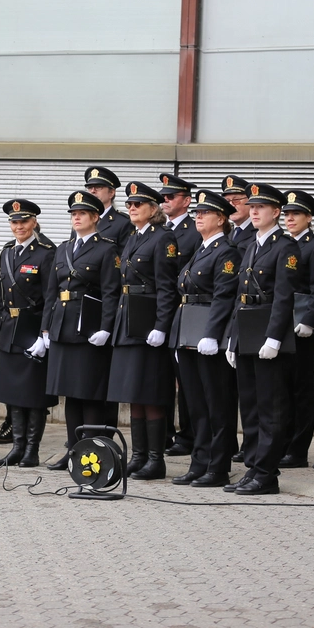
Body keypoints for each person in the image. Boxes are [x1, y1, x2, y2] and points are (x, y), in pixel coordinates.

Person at [225, 183, 299, 496]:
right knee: (251, 405)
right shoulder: (252, 245)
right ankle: (254, 466)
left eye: (260, 207)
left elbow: (284, 297)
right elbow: (239, 296)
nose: (253, 211)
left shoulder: (286, 247)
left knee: (270, 407)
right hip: (246, 328)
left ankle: (267, 473)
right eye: (251, 206)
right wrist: (232, 337)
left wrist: (274, 337)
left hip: (268, 329)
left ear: (276, 212)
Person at [107, 182, 180, 480]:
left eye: (139, 204)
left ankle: (155, 458)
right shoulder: (134, 237)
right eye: (129, 205)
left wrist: (162, 326)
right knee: (133, 392)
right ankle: (137, 456)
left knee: (150, 392)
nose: (132, 208)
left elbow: (166, 286)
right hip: (129, 320)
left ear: (154, 209)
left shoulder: (164, 238)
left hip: (149, 322)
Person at [43, 191, 120, 471]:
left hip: (89, 330)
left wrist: (106, 328)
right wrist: (45, 328)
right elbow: (52, 292)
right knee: (70, 395)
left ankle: (94, 455)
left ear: (95, 217)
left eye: (82, 214)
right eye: (73, 214)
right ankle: (73, 452)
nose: (76, 218)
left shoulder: (106, 249)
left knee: (89, 395)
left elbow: (112, 293)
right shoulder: (63, 248)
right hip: (63, 328)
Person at [169, 191, 241, 489]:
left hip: (209, 337)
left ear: (221, 219)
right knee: (196, 405)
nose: (197, 217)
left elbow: (224, 297)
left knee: (217, 405)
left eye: (204, 213)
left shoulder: (226, 252)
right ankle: (199, 462)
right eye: (196, 212)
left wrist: (213, 335)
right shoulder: (202, 249)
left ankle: (218, 467)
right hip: (189, 335)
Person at [0, 199, 58, 468]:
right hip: (10, 328)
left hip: (32, 329)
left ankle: (32, 449)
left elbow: (50, 296)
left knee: (33, 395)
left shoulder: (46, 252)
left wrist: (45, 333)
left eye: (24, 221)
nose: (18, 226)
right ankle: (17, 447)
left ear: (34, 223)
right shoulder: (7, 252)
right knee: (13, 394)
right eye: (14, 222)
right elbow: (2, 294)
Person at [278, 189, 314, 468]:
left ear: (309, 217)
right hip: (283, 325)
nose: (290, 218)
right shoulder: (283, 244)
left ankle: (298, 450)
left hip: (303, 327)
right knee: (283, 389)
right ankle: (283, 442)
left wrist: (310, 321)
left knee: (300, 389)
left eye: (296, 214)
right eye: (287, 214)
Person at [158, 172, 199, 457]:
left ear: (186, 201)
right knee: (159, 376)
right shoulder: (159, 229)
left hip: (184, 311)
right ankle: (163, 433)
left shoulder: (194, 231)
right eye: (163, 196)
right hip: (160, 313)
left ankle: (189, 434)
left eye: (171, 196)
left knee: (186, 379)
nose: (165, 201)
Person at [80, 166, 134, 247]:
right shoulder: (80, 219)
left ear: (111, 192)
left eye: (98, 187)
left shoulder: (124, 222)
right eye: (90, 187)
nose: (93, 191)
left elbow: (124, 255)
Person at [223, 176, 256, 249]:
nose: (231, 205)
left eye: (236, 200)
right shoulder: (227, 232)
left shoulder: (259, 232)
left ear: (249, 201)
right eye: (227, 201)